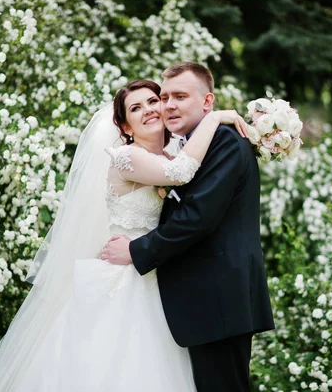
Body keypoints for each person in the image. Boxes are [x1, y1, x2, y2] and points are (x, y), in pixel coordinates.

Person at [0, 78, 248, 391]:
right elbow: (180, 174)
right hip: (123, 278)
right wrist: (214, 117)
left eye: (153, 101)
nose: (149, 110)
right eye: (136, 108)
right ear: (125, 125)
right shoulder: (126, 157)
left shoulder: (171, 153)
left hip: (156, 274)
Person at [101, 62, 275, 392]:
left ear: (207, 102)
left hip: (218, 295)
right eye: (164, 97)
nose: (167, 106)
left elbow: (197, 218)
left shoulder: (223, 140)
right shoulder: (186, 148)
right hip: (196, 298)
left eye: (179, 96)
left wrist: (135, 250)